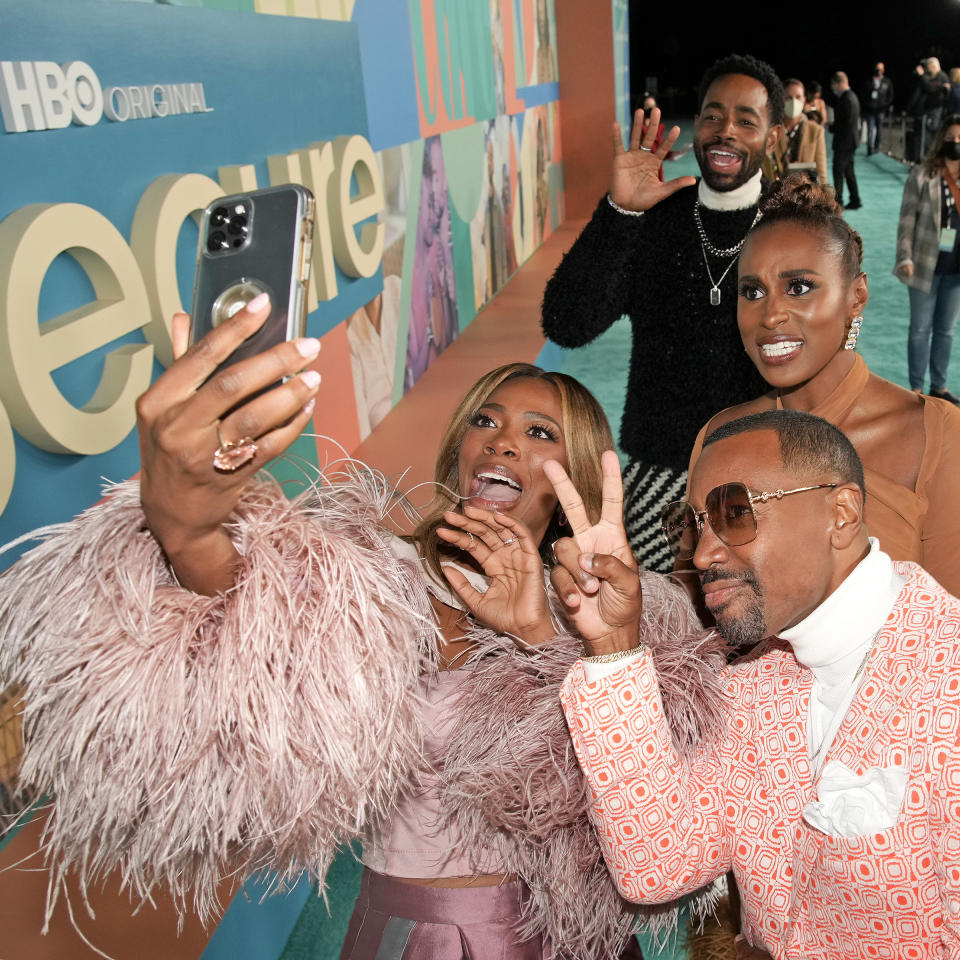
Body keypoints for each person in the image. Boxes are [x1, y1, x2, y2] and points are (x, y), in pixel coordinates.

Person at [0, 297, 727, 958]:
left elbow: (653, 813)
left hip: (566, 939)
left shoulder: (630, 611)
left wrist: (550, 637)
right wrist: (183, 525)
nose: (502, 443)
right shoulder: (373, 579)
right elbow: (252, 618)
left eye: (538, 432)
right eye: (485, 420)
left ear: (574, 472)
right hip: (408, 932)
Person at [552, 408, 960, 959]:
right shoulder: (751, 686)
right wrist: (612, 647)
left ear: (840, 513)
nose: (702, 555)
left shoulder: (947, 675)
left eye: (735, 512)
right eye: (694, 524)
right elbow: (658, 863)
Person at [542, 53, 779, 572]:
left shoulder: (791, 226)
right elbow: (567, 321)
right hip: (655, 482)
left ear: (774, 137)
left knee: (751, 638)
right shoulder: (656, 217)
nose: (725, 132)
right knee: (654, 629)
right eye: (713, 115)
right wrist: (621, 211)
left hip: (763, 482)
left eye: (746, 120)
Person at [691, 174, 960, 597]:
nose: (771, 314)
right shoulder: (719, 437)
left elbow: (951, 625)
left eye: (799, 288)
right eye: (752, 291)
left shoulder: (935, 433)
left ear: (857, 295)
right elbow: (693, 616)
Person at [895, 113, 960, 406]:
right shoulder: (922, 175)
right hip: (923, 264)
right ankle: (917, 389)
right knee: (920, 328)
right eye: (950, 139)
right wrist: (904, 256)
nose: (955, 144)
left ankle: (939, 385)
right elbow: (907, 220)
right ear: (940, 141)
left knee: (946, 330)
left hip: (956, 270)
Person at [762, 79, 828, 185]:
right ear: (781, 100)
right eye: (788, 97)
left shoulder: (815, 131)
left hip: (804, 196)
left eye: (798, 97)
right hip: (774, 195)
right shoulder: (769, 131)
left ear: (804, 100)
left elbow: (822, 175)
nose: (793, 102)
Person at [907, 57, 952, 160]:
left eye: (929, 67)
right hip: (926, 110)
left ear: (934, 66)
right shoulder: (930, 77)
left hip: (936, 110)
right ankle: (921, 158)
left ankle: (929, 158)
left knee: (930, 135)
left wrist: (922, 76)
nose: (928, 70)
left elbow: (931, 88)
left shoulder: (942, 76)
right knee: (922, 135)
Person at [829, 71, 861, 210]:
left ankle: (838, 202)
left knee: (838, 171)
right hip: (850, 141)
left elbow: (845, 123)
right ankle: (855, 200)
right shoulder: (852, 96)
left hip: (844, 143)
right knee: (848, 172)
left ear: (839, 83)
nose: (833, 88)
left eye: (834, 85)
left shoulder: (846, 98)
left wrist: (832, 127)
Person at [862, 62, 894, 155]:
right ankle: (870, 148)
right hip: (870, 110)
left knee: (879, 129)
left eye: (880, 69)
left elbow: (890, 95)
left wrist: (884, 104)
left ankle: (877, 146)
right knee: (870, 129)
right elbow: (863, 95)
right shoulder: (869, 82)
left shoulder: (887, 82)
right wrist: (867, 104)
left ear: (883, 70)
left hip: (881, 110)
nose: (878, 71)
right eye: (877, 69)